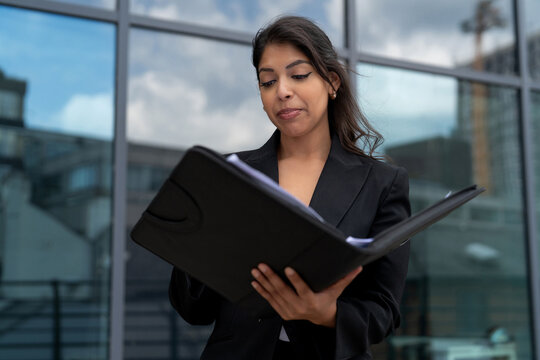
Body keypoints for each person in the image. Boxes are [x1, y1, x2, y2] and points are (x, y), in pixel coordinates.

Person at [169, 16, 410, 360]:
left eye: (298, 75)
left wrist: (323, 313)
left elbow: (384, 309)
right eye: (268, 82)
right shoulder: (229, 175)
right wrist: (196, 243)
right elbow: (193, 309)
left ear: (332, 82)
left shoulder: (383, 184)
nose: (282, 91)